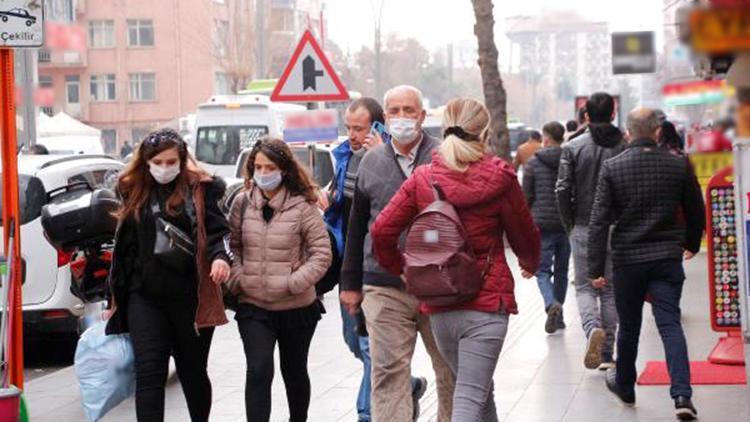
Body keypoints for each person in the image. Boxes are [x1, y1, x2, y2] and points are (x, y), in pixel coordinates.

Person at [371, 98, 540, 421]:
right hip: (487, 304)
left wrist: (402, 269)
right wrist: (530, 262)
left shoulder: (423, 177)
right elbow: (525, 233)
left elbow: (381, 230)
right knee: (471, 393)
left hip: (441, 305)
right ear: (484, 131)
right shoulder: (500, 177)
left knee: (478, 391)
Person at [339, 85, 455, 422]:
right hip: (384, 285)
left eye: (409, 110)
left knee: (449, 372)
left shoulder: (444, 157)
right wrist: (350, 282)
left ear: (422, 116)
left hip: (440, 287)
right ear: (384, 118)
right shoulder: (369, 161)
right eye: (394, 111)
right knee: (388, 374)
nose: (401, 118)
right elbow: (357, 225)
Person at [105, 128, 232, 422]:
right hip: (144, 297)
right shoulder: (131, 189)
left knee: (193, 372)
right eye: (158, 162)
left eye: (171, 161)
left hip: (191, 297)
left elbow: (219, 232)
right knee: (150, 372)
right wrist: (114, 295)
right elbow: (125, 247)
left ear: (182, 159)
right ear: (146, 161)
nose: (165, 168)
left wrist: (221, 258)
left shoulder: (202, 189)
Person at [588, 107, 704, 421]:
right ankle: (682, 394)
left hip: (628, 260)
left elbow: (598, 221)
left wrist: (595, 269)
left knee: (630, 327)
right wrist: (691, 244)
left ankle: (625, 384)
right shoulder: (678, 164)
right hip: (666, 257)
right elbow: (696, 208)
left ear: (628, 132)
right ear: (656, 132)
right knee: (670, 324)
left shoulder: (613, 167)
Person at [323, 97, 423, 422]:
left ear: (377, 127)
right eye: (348, 128)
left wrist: (384, 160)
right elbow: (350, 215)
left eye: (359, 128)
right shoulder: (345, 159)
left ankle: (368, 413)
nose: (351, 135)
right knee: (355, 341)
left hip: (381, 271)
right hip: (350, 264)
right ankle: (407, 384)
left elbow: (404, 208)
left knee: (373, 350)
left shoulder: (385, 160)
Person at [227, 137, 332, 422]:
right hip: (254, 305)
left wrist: (292, 283)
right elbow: (232, 246)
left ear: (284, 169)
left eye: (269, 167)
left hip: (296, 307)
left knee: (294, 371)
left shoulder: (303, 206)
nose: (263, 173)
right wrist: (238, 276)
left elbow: (321, 254)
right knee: (259, 370)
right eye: (258, 167)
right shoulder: (242, 202)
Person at [556, 92, 624, 370]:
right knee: (610, 291)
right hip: (616, 227)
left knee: (585, 286)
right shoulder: (624, 146)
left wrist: (568, 223)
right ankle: (607, 354)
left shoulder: (573, 147)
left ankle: (591, 329)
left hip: (583, 226)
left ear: (585, 116)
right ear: (613, 113)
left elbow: (562, 189)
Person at [523, 121, 570, 334]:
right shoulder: (570, 160)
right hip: (564, 223)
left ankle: (551, 304)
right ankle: (558, 316)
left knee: (542, 271)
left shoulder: (533, 163)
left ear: (547, 139)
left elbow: (526, 198)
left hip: (541, 224)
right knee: (561, 271)